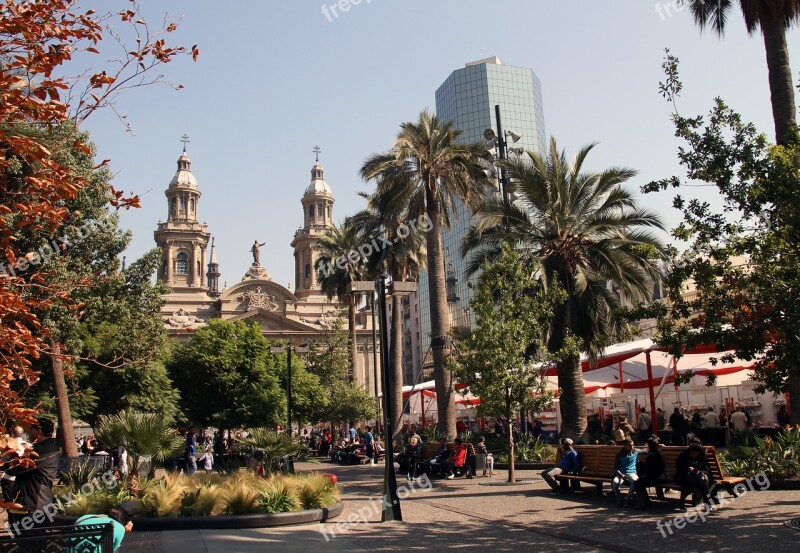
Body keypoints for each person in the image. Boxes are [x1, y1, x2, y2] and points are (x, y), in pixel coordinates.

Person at [6, 417, 61, 531]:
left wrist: (8, 460)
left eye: (30, 429)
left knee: (31, 543)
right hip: (30, 504)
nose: (28, 432)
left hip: (34, 506)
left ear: (38, 431)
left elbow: (17, 469)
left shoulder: (45, 450)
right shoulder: (43, 448)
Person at [675, 443, 714, 512]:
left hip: (698, 478)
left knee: (704, 483)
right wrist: (687, 468)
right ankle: (682, 503)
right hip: (683, 477)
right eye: (692, 453)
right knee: (687, 482)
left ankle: (707, 504)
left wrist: (702, 473)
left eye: (696, 454)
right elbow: (678, 467)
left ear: (699, 453)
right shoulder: (683, 456)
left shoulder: (702, 457)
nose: (694, 455)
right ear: (689, 452)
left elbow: (706, 469)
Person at [611, 438, 647, 507]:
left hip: (632, 473)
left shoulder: (635, 451)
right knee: (615, 482)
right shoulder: (619, 454)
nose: (632, 447)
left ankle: (627, 499)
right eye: (630, 445)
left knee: (635, 482)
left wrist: (655, 446)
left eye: (633, 445)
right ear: (625, 446)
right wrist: (621, 475)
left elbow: (645, 450)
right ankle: (619, 499)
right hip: (621, 473)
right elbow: (615, 467)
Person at [634, 437, 666, 509]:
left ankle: (643, 502)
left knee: (638, 483)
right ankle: (645, 501)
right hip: (658, 477)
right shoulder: (659, 455)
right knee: (639, 482)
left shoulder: (652, 457)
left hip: (656, 478)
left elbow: (650, 471)